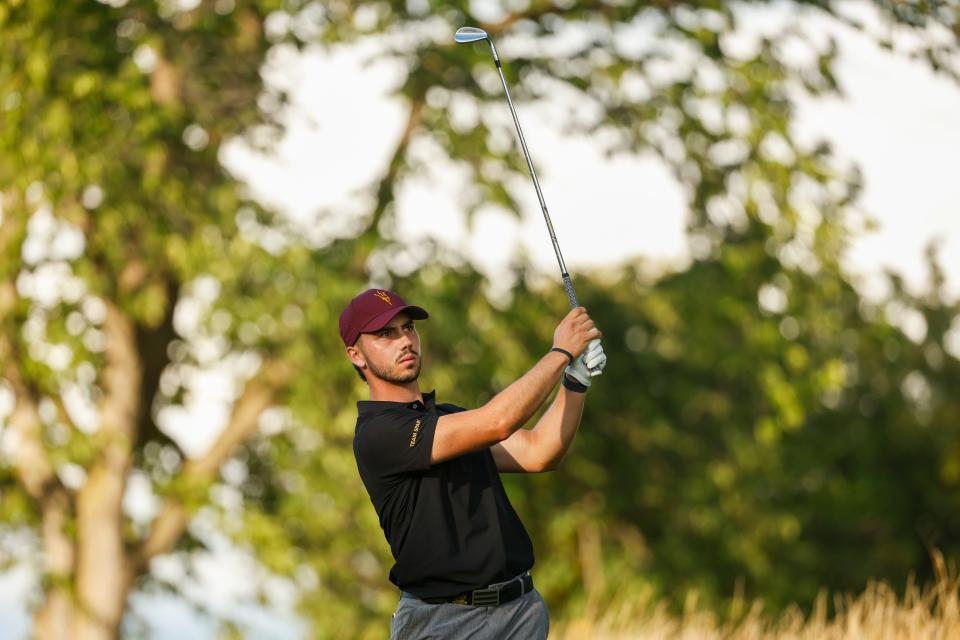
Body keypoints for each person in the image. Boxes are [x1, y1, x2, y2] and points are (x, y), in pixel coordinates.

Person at [339, 287, 607, 640]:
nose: (404, 340)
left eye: (408, 328)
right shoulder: (377, 433)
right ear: (356, 355)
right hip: (443, 622)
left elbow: (539, 452)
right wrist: (560, 353)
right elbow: (497, 421)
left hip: (521, 610)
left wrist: (575, 381)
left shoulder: (449, 419)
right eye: (386, 334)